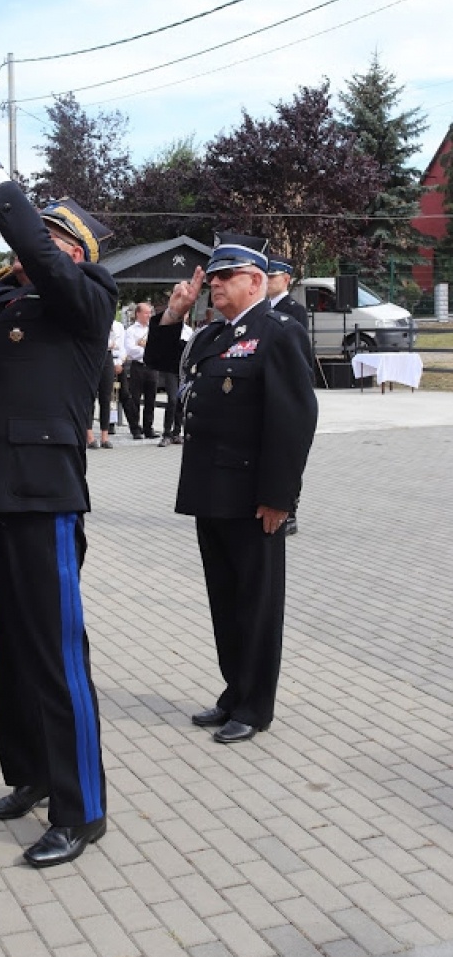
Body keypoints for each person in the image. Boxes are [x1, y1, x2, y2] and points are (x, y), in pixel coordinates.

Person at [0, 123, 116, 867]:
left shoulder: (85, 298)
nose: (28, 249)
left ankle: (82, 812)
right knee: (10, 654)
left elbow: (44, 260)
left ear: (72, 252)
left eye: (47, 240)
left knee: (55, 659)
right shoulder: (2, 302)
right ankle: (31, 779)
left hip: (44, 498)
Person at [145, 232, 317, 744]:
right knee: (225, 599)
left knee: (257, 604)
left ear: (255, 281)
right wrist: (173, 313)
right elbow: (161, 363)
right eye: (212, 277)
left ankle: (255, 706)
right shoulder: (213, 335)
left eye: (225, 276)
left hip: (252, 497)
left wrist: (279, 499)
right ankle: (233, 689)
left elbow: (294, 420)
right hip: (209, 490)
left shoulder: (278, 332)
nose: (214, 284)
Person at [267, 257, 310, 535]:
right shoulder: (260, 309)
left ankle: (290, 509)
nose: (268, 281)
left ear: (286, 279)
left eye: (273, 276)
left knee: (288, 451)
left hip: (285, 386)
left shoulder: (294, 310)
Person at [124, 302, 159, 439]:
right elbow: (131, 350)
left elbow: (157, 348)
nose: (149, 315)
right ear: (138, 313)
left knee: (151, 399)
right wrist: (146, 349)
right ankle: (135, 428)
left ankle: (148, 428)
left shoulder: (154, 329)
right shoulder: (131, 330)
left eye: (150, 312)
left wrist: (145, 347)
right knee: (135, 399)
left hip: (152, 367)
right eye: (146, 313)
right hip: (138, 367)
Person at [158, 314, 194, 447]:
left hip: (183, 369)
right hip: (170, 369)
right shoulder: (168, 329)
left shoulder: (189, 331)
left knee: (180, 400)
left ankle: (177, 432)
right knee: (172, 399)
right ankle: (166, 433)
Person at [87, 319, 122, 449]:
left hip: (107, 357)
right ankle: (89, 436)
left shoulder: (115, 324)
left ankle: (104, 436)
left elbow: (117, 344)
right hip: (93, 357)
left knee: (106, 397)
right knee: (90, 397)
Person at [267, 258, 309, 330]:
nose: (266, 281)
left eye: (271, 277)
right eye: (265, 277)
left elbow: (298, 339)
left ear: (286, 279)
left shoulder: (296, 310)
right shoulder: (264, 307)